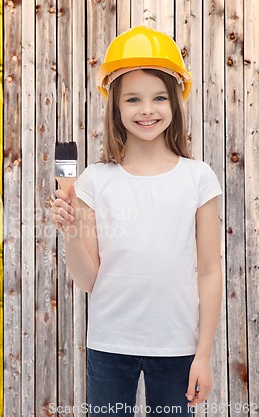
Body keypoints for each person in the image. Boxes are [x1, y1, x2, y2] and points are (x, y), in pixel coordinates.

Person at [49, 26, 223, 417]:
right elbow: (89, 280)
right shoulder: (95, 180)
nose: (147, 109)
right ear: (116, 107)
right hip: (110, 346)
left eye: (159, 97)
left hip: (178, 349)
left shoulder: (198, 178)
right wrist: (71, 229)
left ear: (176, 102)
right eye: (133, 99)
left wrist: (204, 355)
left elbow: (210, 271)